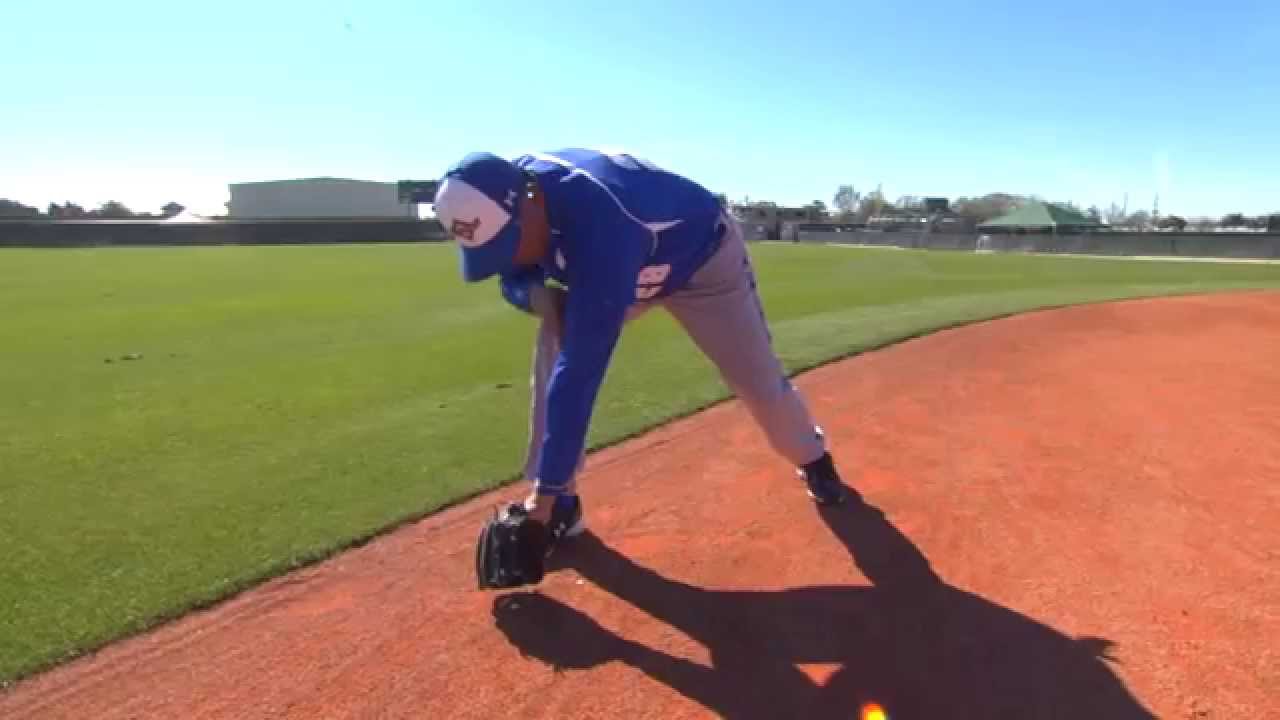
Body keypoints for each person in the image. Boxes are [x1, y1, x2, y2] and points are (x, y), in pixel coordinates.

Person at [433, 148, 850, 546]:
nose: (507, 256)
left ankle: (812, 458)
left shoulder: (600, 217)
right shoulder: (516, 196)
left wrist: (536, 502)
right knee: (554, 339)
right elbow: (511, 275)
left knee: (756, 378)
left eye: (508, 242)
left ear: (528, 206)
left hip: (702, 262)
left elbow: (581, 371)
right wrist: (539, 297)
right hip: (622, 264)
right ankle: (562, 506)